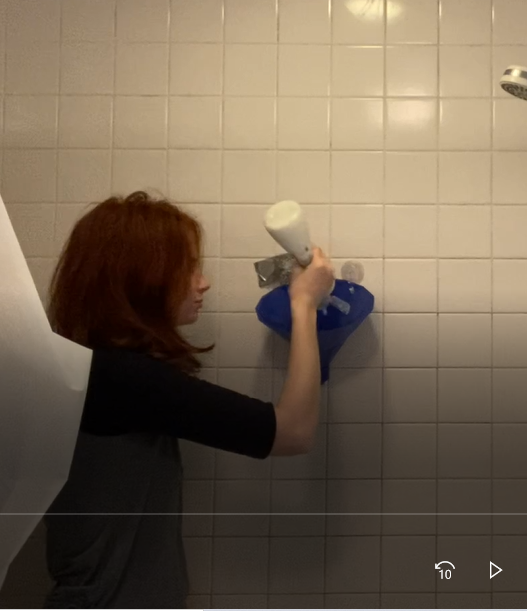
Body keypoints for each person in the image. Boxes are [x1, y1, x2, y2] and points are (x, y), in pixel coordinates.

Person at [41, 191, 333, 608]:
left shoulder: (90, 370)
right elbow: (292, 432)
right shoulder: (122, 379)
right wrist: (303, 305)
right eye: (189, 268)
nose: (203, 282)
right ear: (142, 278)